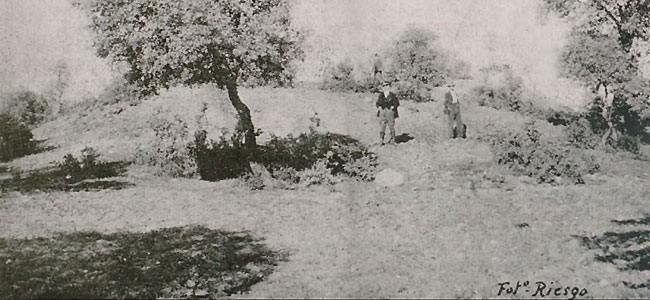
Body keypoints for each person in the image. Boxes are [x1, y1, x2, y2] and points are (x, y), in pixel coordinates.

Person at [376, 81, 399, 145]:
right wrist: (379, 107)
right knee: (382, 126)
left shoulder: (392, 95)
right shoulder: (381, 95)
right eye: (383, 85)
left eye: (386, 85)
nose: (385, 87)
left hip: (390, 112)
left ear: (389, 86)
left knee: (391, 125)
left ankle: (393, 140)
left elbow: (397, 103)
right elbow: (377, 103)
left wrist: (392, 107)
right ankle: (381, 140)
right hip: (382, 112)